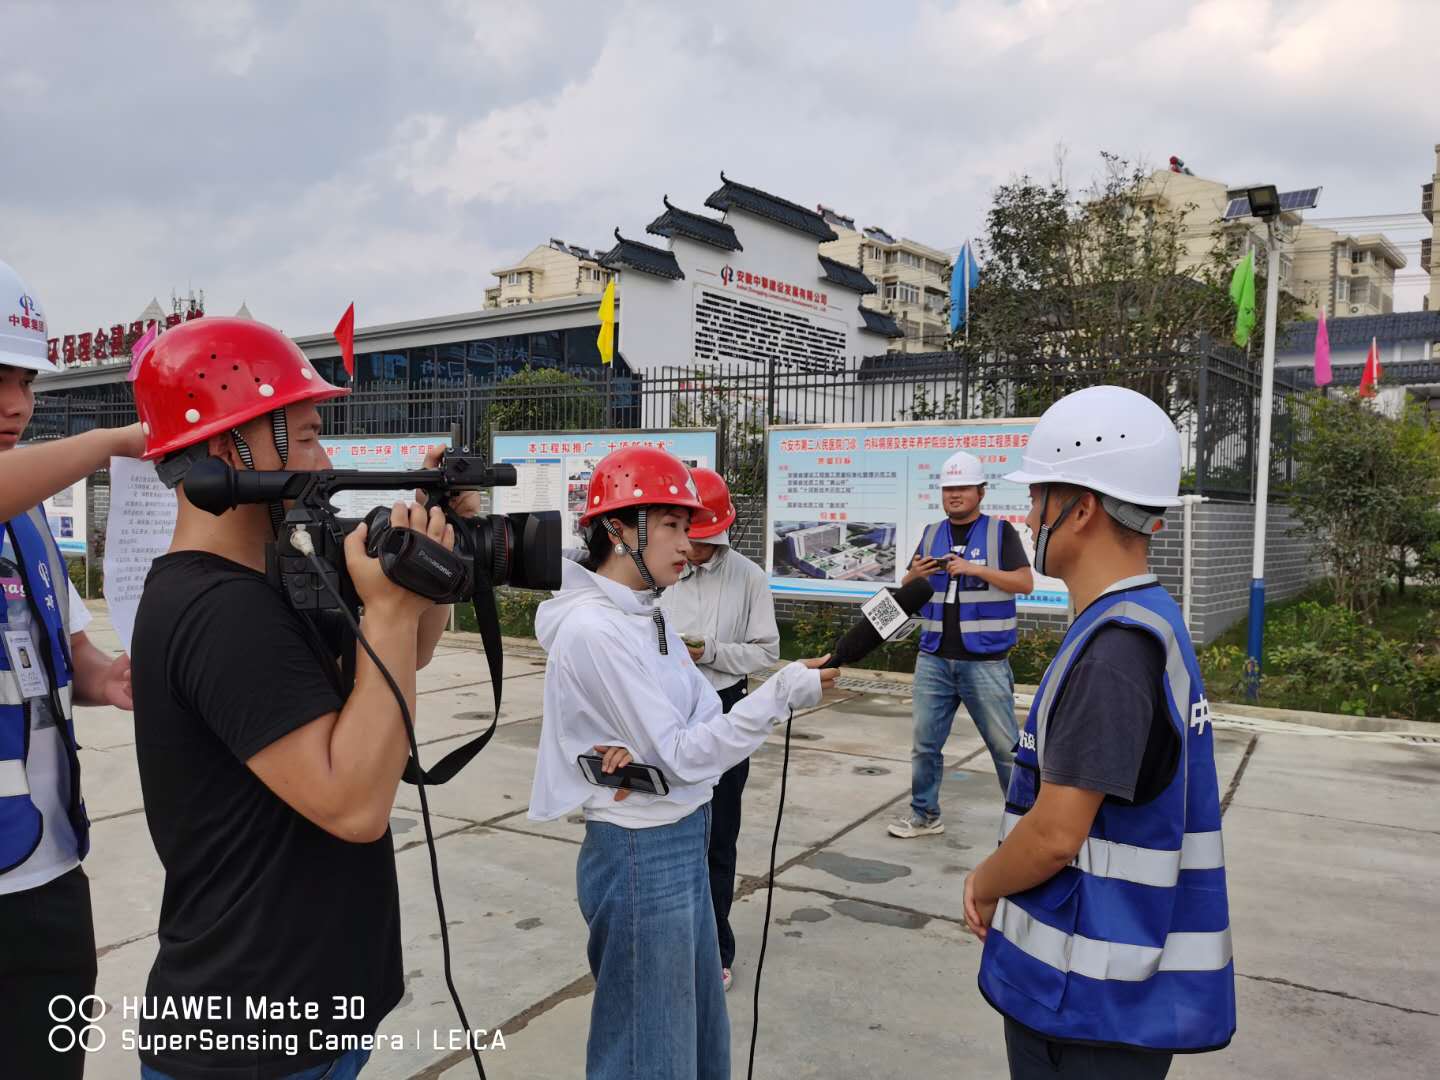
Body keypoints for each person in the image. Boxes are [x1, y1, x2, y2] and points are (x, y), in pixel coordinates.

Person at [128, 317, 463, 1080]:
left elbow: (402, 663)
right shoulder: (219, 609)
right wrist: (387, 609)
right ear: (229, 451)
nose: (324, 460)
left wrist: (429, 573)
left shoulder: (273, 576)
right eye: (308, 437)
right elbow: (353, 803)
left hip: (308, 1014)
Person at [528, 446, 836, 1080]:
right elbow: (687, 753)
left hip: (679, 837)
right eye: (669, 523)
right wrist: (775, 695)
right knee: (649, 1050)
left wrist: (661, 751)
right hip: (641, 853)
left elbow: (698, 726)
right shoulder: (596, 629)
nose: (687, 540)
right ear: (619, 529)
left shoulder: (646, 614)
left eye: (686, 523)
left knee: (693, 1034)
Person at [963, 386, 1235, 1079]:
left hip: (1087, 1007)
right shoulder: (1146, 618)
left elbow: (1056, 834)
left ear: (1080, 509)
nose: (1028, 517)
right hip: (1112, 994)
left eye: (1038, 499)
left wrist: (984, 881)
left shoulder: (1112, 651)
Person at [0, 257, 137, 1079]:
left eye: (25, 380)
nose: (15, 404)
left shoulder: (30, 524)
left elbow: (66, 653)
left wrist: (111, 679)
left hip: (48, 871)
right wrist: (113, 442)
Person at [659, 466, 779, 993]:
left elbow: (766, 652)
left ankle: (715, 945)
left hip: (726, 706)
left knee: (718, 834)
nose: (694, 551)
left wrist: (710, 651)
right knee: (665, 826)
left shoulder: (748, 577)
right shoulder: (656, 575)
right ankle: (668, 941)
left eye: (706, 541)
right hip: (666, 709)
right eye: (689, 538)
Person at [890, 450, 1033, 839]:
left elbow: (1024, 582)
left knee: (1006, 749)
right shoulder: (932, 533)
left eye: (963, 487)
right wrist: (914, 575)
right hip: (935, 657)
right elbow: (908, 587)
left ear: (981, 491)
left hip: (985, 660)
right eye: (949, 488)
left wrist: (974, 568)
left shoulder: (999, 532)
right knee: (924, 746)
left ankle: (1024, 822)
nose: (955, 494)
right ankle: (924, 814)